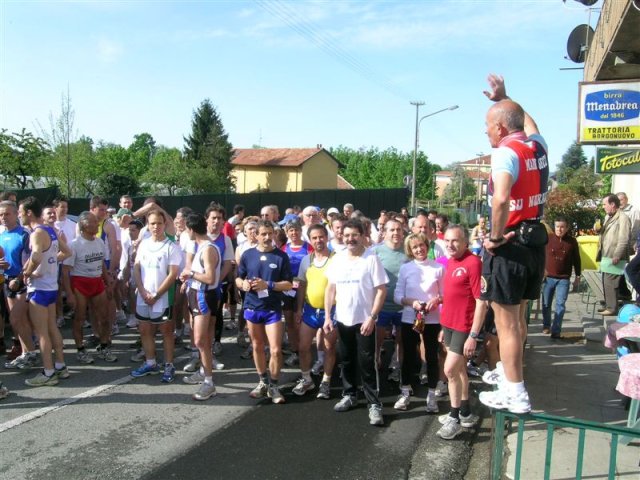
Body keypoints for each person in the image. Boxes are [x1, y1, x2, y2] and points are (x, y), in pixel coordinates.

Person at [478, 74, 549, 414]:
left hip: (510, 246)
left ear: (501, 130)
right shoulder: (537, 146)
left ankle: (516, 393)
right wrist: (506, 99)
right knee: (518, 320)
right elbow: (527, 122)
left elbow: (501, 200)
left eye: (489, 125)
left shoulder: (505, 154)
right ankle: (509, 378)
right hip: (535, 245)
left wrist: (493, 238)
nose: (486, 131)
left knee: (505, 325)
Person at [324, 219, 388, 426]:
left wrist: (372, 316)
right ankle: (350, 394)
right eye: (347, 235)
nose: (350, 239)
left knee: (367, 363)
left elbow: (381, 290)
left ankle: (374, 404)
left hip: (364, 321)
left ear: (362, 236)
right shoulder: (337, 259)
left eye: (355, 235)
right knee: (347, 359)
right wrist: (327, 316)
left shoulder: (371, 258)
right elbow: (330, 289)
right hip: (343, 319)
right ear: (342, 236)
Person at [236, 220, 293, 405]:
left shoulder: (281, 256)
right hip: (252, 307)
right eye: (264, 234)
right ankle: (262, 381)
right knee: (257, 346)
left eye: (270, 233)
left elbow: (289, 284)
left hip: (272, 309)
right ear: (256, 236)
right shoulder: (247, 255)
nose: (268, 237)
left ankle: (274, 385)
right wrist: (242, 284)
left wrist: (268, 285)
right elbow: (238, 278)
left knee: (275, 350)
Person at [437, 225, 484, 439]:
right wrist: (442, 326)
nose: (450, 245)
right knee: (460, 371)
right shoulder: (451, 262)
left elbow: (481, 303)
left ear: (466, 242)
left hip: (464, 328)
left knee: (450, 371)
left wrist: (473, 336)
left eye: (455, 240)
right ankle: (465, 411)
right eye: (447, 241)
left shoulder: (473, 263)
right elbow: (450, 297)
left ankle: (454, 418)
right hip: (448, 324)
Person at [20, 196, 72, 386]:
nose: (19, 216)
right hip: (51, 286)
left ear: (28, 213)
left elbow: (35, 256)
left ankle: (48, 372)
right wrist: (51, 262)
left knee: (41, 332)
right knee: (52, 327)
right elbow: (67, 252)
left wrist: (27, 272)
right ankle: (60, 366)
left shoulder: (36, 233)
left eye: (20, 212)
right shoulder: (51, 230)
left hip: (40, 288)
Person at [393, 233, 444, 413]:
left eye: (421, 245)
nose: (419, 249)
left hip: (432, 320)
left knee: (431, 356)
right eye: (415, 247)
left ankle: (431, 395)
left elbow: (445, 295)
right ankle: (405, 392)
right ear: (410, 250)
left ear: (427, 246)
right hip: (409, 318)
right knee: (408, 356)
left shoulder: (438, 268)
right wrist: (412, 303)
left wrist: (437, 301)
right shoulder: (406, 268)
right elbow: (397, 296)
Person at [130, 209, 182, 383]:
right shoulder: (143, 244)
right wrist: (143, 291)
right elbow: (136, 267)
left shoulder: (171, 246)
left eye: (159, 223)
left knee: (166, 331)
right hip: (143, 296)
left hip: (162, 297)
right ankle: (150, 363)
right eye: (152, 223)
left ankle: (169, 365)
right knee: (144, 330)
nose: (156, 227)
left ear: (164, 224)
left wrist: (157, 294)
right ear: (148, 224)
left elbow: (173, 274)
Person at [62, 212, 116, 364]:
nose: (98, 224)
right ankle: (80, 349)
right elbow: (65, 272)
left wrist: (108, 284)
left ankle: (104, 346)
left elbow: (102, 266)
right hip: (80, 282)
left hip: (97, 281)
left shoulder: (99, 242)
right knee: (79, 317)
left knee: (104, 317)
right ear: (85, 225)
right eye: (94, 222)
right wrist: (70, 294)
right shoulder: (74, 245)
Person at [292, 223, 338, 399]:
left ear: (327, 237)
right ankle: (306, 379)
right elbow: (302, 286)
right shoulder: (306, 260)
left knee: (329, 347)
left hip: (331, 311)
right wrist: (298, 309)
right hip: (310, 311)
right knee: (303, 347)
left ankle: (326, 382)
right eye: (314, 238)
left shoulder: (336, 259)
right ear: (310, 240)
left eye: (321, 237)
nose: (318, 240)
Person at [180, 213, 222, 401]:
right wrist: (189, 276)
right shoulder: (201, 247)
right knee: (201, 339)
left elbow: (210, 278)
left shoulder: (208, 249)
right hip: (197, 294)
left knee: (200, 340)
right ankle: (204, 372)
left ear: (190, 229)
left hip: (204, 296)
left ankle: (209, 383)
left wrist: (190, 273)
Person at [0, 200, 35, 369]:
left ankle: (30, 353)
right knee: (18, 322)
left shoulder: (24, 234)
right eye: (1, 214)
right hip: (7, 281)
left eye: (7, 214)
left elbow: (31, 260)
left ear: (16, 215)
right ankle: (26, 353)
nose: (4, 217)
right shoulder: (0, 235)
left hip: (22, 281)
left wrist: (19, 278)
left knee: (16, 318)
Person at [372, 219, 407, 380]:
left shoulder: (409, 252)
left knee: (401, 340)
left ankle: (397, 366)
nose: (395, 233)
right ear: (384, 233)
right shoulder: (375, 252)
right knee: (378, 338)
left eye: (398, 230)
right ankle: (376, 359)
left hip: (403, 306)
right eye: (392, 230)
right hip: (381, 306)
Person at [281, 220, 313, 367]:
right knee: (289, 322)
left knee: (299, 321)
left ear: (301, 231)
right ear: (287, 233)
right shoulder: (283, 249)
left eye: (296, 230)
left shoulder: (308, 248)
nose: (294, 233)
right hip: (287, 291)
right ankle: (295, 351)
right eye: (291, 230)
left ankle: (304, 351)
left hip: (304, 290)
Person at [542, 217, 581, 338]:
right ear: (554, 227)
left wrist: (578, 276)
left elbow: (577, 259)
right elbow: (541, 256)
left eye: (562, 227)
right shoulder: (548, 239)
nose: (559, 229)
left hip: (563, 279)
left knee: (560, 304)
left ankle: (556, 330)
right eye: (557, 226)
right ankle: (546, 325)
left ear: (567, 228)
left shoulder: (572, 241)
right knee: (546, 303)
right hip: (548, 278)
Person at [597, 194, 632, 316]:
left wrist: (617, 254)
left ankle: (612, 308)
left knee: (610, 282)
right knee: (606, 281)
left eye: (605, 204)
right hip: (607, 255)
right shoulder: (609, 217)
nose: (603, 207)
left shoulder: (623, 218)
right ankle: (609, 305)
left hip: (615, 256)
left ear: (613, 204)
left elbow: (624, 239)